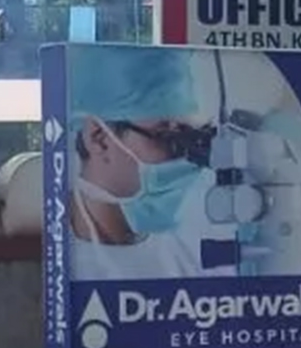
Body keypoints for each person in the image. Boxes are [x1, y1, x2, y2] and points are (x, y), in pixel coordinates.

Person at [67, 47, 214, 281]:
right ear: (100, 138)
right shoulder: (61, 264)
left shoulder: (187, 259)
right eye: (165, 136)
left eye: (186, 135)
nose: (181, 159)